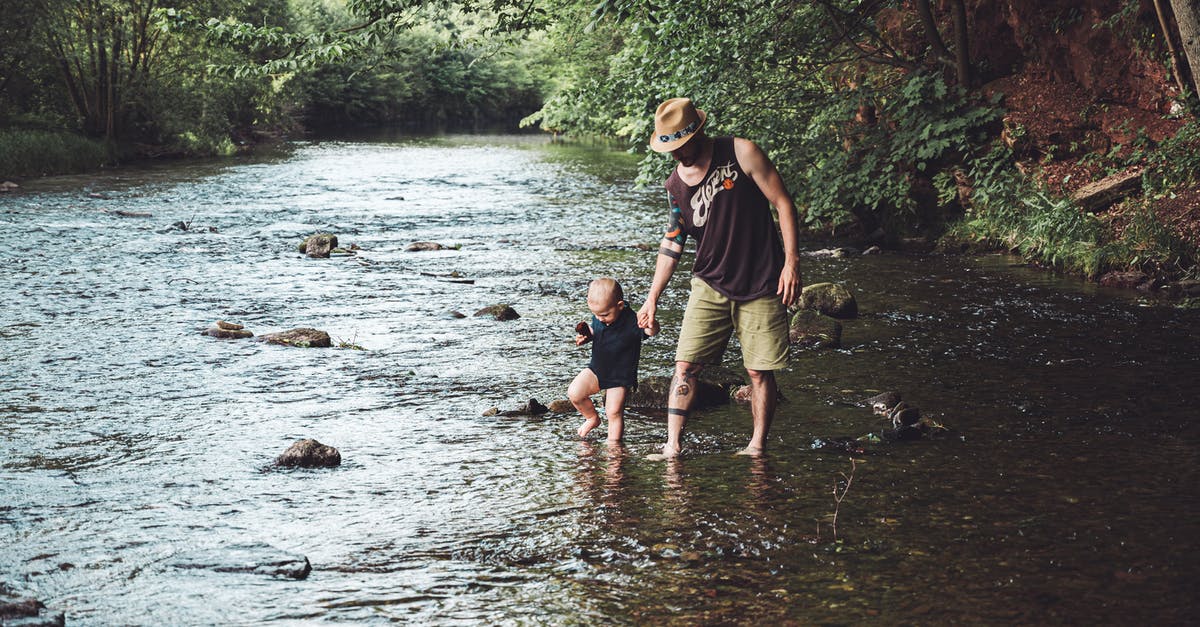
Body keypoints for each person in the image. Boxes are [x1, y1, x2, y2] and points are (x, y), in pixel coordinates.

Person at [637, 97, 802, 459]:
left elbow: (784, 204)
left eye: (683, 146)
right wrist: (652, 299)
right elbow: (673, 242)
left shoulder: (741, 152)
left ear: (699, 132)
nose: (679, 155)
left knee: (758, 372)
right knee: (685, 365)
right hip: (709, 283)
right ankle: (672, 447)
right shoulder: (674, 186)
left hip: (762, 281)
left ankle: (757, 446)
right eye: (672, 149)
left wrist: (791, 263)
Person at [568, 277, 659, 443]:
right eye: (595, 314)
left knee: (613, 412)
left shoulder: (633, 320)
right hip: (597, 369)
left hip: (619, 375)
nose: (599, 318)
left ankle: (613, 446)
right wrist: (587, 336)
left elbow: (650, 332)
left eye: (604, 315)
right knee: (575, 393)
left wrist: (651, 323)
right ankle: (592, 418)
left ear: (620, 305)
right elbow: (597, 329)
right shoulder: (600, 315)